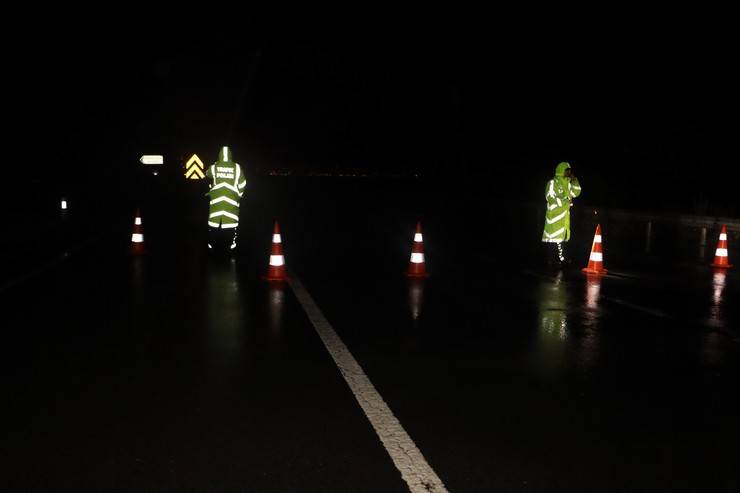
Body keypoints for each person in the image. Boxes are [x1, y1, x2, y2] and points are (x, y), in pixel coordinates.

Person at [206, 146, 247, 252]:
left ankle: (211, 244)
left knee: (214, 224)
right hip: (231, 202)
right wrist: (239, 195)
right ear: (231, 155)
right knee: (232, 224)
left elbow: (207, 174)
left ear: (219, 154)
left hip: (216, 203)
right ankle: (232, 245)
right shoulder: (237, 167)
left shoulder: (214, 166)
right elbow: (243, 183)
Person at [542, 161, 581, 265]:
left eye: (569, 171)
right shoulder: (552, 182)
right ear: (561, 171)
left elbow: (576, 193)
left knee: (561, 239)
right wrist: (565, 201)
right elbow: (549, 197)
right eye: (567, 170)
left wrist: (574, 180)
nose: (568, 172)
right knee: (552, 239)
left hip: (564, 217)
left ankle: (562, 260)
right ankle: (551, 260)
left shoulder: (569, 183)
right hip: (554, 216)